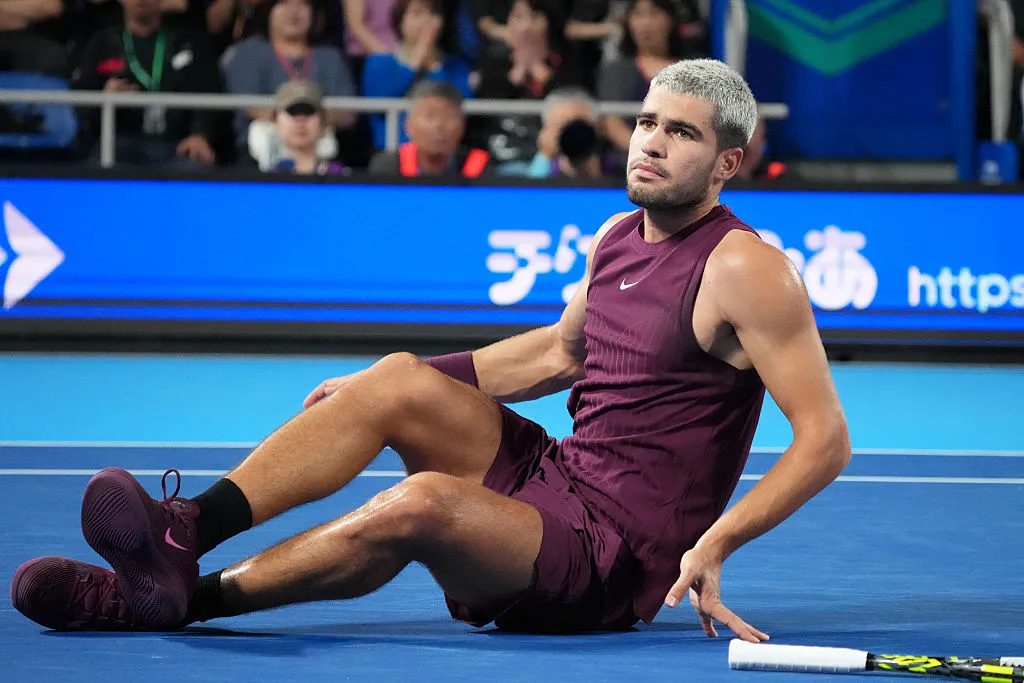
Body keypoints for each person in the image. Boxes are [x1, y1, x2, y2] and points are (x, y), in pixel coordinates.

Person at [11, 58, 851, 639]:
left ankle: (173, 601)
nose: (651, 142)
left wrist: (718, 541)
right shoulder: (616, 237)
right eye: (645, 121)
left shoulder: (745, 268)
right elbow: (557, 354)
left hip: (611, 560)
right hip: (558, 479)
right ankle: (184, 529)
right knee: (395, 379)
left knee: (422, 503)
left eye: (681, 133)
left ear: (727, 162)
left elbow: (825, 440)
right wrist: (383, 387)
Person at [368, 80, 490, 178]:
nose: (439, 125)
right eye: (430, 116)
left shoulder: (481, 167)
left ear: (462, 126)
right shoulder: (388, 166)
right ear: (408, 125)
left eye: (447, 116)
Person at [267, 79, 348, 175]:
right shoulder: (265, 180)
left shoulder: (341, 176)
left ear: (323, 121)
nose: (300, 119)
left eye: (308, 111)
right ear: (276, 119)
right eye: (292, 111)